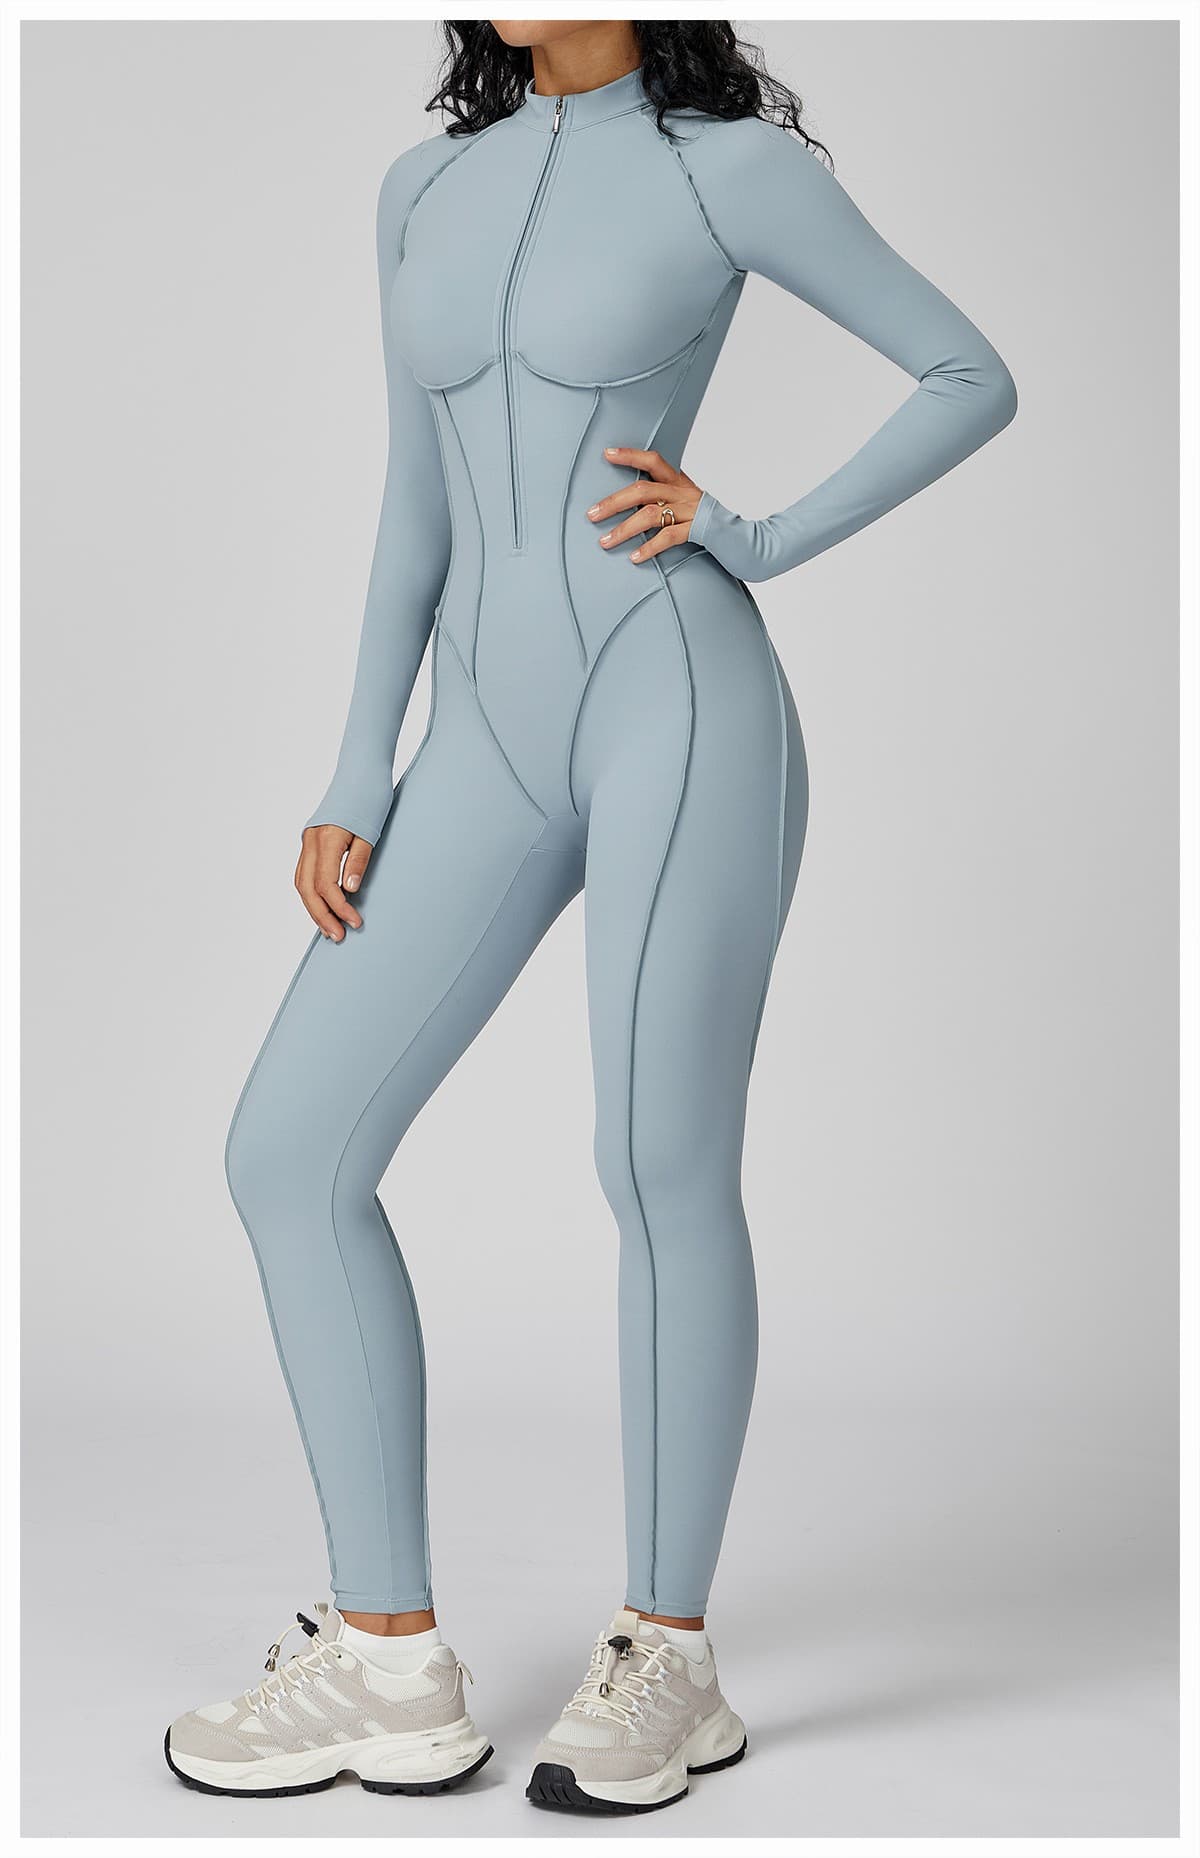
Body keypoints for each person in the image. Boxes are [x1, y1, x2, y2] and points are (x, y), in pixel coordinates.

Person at [165, 18, 1017, 1814]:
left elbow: (968, 374)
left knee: (655, 1163)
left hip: (671, 700)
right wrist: (357, 765)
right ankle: (388, 1660)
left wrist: (756, 535)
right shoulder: (423, 188)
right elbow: (415, 497)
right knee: (289, 1151)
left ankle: (668, 1658)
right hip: (478, 729)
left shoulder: (730, 172)